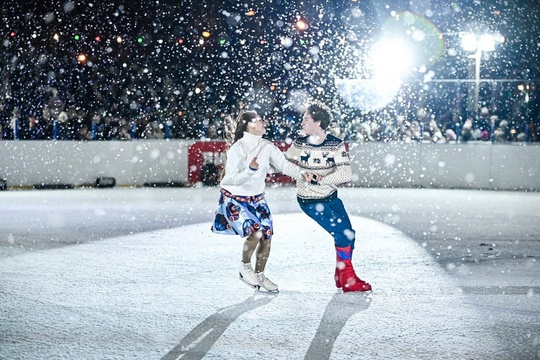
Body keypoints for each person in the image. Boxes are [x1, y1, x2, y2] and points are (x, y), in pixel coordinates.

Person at [285, 101, 372, 292]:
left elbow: (346, 174)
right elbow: (284, 164)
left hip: (331, 198)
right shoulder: (300, 143)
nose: (302, 123)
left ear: (317, 122)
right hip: (309, 201)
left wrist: (321, 179)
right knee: (342, 233)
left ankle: (341, 274)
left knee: (349, 235)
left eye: (306, 119)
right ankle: (348, 279)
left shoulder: (335, 144)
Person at [211, 110, 301, 292]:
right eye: (258, 120)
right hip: (235, 199)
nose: (263, 122)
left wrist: (304, 174)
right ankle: (244, 267)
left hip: (258, 200)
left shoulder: (267, 146)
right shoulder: (238, 148)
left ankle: (259, 275)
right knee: (256, 233)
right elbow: (233, 178)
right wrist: (250, 170)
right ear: (248, 125)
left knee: (267, 237)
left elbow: (285, 166)